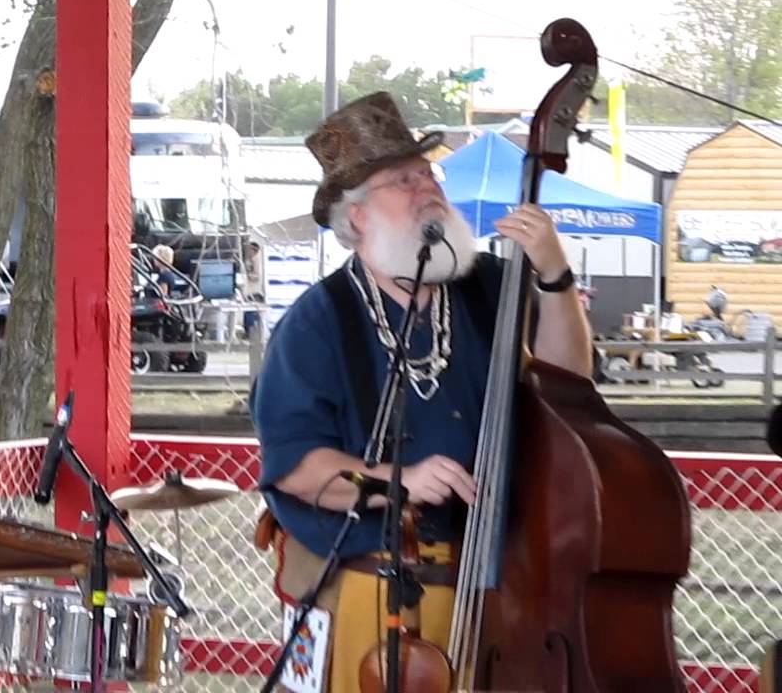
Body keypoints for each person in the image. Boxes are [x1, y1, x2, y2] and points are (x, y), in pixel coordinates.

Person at [250, 92, 592, 691]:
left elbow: (572, 385)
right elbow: (296, 468)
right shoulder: (316, 323)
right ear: (356, 217)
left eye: (427, 173)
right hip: (373, 586)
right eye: (403, 181)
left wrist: (555, 275)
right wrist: (396, 479)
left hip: (502, 585)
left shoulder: (490, 286)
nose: (428, 186)